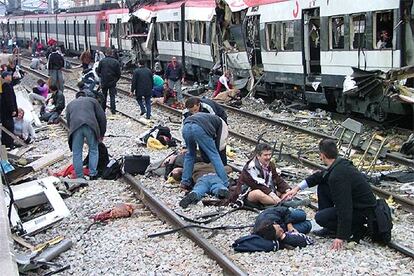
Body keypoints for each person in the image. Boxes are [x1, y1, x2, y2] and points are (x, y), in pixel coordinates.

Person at [282, 139, 377, 250]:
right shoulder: (340, 164)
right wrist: (297, 188)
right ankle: (330, 228)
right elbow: (319, 176)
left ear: (322, 155)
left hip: (363, 213)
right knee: (323, 185)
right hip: (360, 207)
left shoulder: (337, 176)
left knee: (320, 217)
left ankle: (355, 230)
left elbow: (344, 207)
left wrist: (341, 236)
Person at [181, 112, 228, 191]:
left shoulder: (209, 118)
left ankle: (185, 182)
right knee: (214, 155)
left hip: (186, 127)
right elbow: (221, 144)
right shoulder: (222, 124)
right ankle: (225, 182)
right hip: (199, 128)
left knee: (190, 155)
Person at [66, 91, 107, 180]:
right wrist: (102, 133)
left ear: (76, 97)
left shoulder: (70, 104)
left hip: (75, 128)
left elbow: (68, 121)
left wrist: (72, 132)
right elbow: (102, 117)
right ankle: (92, 174)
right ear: (85, 96)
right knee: (93, 149)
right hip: (90, 126)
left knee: (77, 153)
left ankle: (80, 176)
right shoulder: (93, 101)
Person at [183, 97, 228, 164]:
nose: (194, 113)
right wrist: (184, 145)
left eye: (195, 110)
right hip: (202, 123)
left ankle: (223, 165)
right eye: (191, 111)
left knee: (219, 146)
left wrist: (212, 137)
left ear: (199, 104)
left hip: (219, 122)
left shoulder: (207, 107)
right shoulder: (185, 112)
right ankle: (207, 163)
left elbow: (214, 122)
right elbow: (184, 128)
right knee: (202, 141)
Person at [96, 49, 121, 114]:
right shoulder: (116, 62)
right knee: (112, 96)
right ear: (112, 54)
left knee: (103, 96)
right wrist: (115, 80)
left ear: (106, 54)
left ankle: (103, 109)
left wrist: (102, 77)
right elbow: (118, 74)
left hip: (104, 81)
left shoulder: (102, 61)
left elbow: (98, 71)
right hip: (112, 82)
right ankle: (113, 110)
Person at [0, 71, 18, 148]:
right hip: (7, 111)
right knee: (9, 126)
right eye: (9, 75)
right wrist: (13, 109)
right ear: (5, 77)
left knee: (7, 126)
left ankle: (6, 143)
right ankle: (9, 143)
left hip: (4, 111)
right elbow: (9, 99)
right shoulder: (6, 86)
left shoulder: (5, 85)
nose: (10, 76)